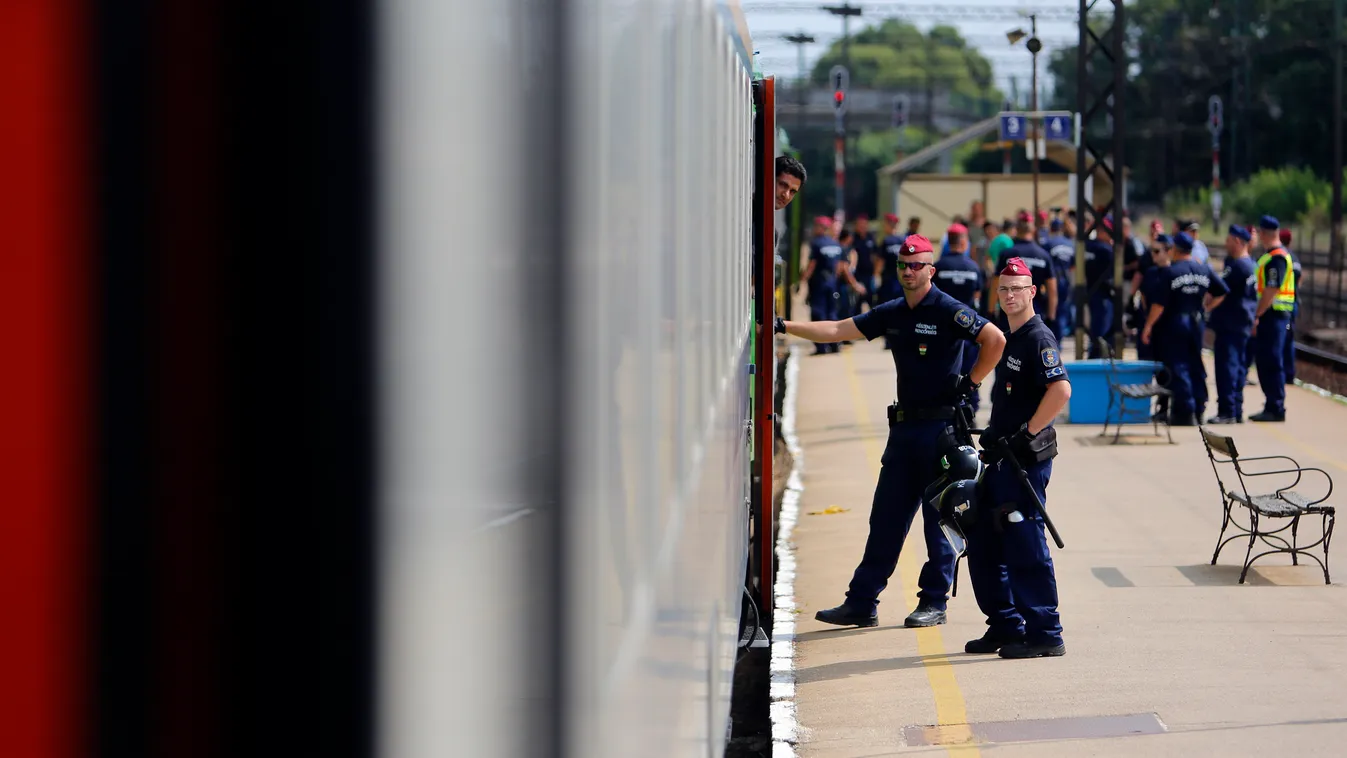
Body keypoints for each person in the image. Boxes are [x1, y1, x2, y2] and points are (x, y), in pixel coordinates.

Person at [776, 234, 1007, 628]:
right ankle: (861, 602)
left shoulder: (948, 309)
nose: (909, 271)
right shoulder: (894, 311)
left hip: (941, 433)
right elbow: (835, 330)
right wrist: (782, 325)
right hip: (903, 432)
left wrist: (971, 382)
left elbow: (994, 339)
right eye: (903, 264)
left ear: (930, 270)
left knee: (939, 524)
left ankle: (933, 602)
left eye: (917, 265)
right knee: (885, 519)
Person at [964, 257, 1071, 659]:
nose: (1009, 296)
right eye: (1003, 289)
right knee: (986, 541)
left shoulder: (1038, 338)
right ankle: (1007, 625)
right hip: (1002, 458)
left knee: (1024, 541)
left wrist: (1027, 433)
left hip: (1024, 461)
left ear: (1032, 292)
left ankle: (1045, 632)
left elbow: (1060, 391)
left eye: (1017, 289)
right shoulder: (1013, 336)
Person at [1141, 232, 1229, 426]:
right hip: (1196, 323)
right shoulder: (1203, 269)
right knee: (1196, 364)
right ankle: (1199, 407)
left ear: (1175, 250)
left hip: (1175, 324)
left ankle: (1184, 411)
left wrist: (1148, 326)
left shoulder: (1171, 272)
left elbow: (1159, 305)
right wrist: (1207, 307)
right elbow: (1222, 291)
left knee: (1178, 366)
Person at [1206, 225, 1258, 424]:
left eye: (1228, 240)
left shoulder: (1237, 267)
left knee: (1227, 368)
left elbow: (1221, 290)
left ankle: (1227, 411)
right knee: (1237, 368)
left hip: (1231, 324)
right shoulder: (1250, 264)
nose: (1226, 244)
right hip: (1242, 323)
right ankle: (1235, 409)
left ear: (1237, 241)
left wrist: (1208, 306)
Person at [935, 223, 986, 411]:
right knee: (970, 372)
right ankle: (971, 408)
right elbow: (977, 296)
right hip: (967, 328)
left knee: (943, 371)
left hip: (942, 329)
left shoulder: (938, 267)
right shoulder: (973, 268)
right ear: (963, 242)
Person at [1250, 215, 1296, 421]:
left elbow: (1271, 289)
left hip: (1273, 316)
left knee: (1271, 361)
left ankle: (1275, 407)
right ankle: (1272, 404)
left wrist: (1257, 313)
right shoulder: (1275, 256)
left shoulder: (1276, 258)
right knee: (1267, 360)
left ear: (1263, 234)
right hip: (1273, 316)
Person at [801, 216, 862, 355]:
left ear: (821, 228)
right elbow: (840, 267)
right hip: (832, 284)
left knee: (818, 314)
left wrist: (802, 280)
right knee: (833, 314)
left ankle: (821, 347)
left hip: (818, 284)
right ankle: (835, 344)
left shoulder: (816, 243)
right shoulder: (836, 245)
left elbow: (812, 265)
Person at [991, 217, 1057, 326]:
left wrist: (991, 311)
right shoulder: (1043, 255)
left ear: (1016, 229)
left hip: (1009, 312)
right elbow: (1052, 289)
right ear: (1033, 230)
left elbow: (995, 284)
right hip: (1035, 312)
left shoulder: (1007, 254)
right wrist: (1051, 316)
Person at [1083, 218, 1118, 358]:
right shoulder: (1106, 250)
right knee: (1102, 328)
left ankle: (1095, 353)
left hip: (1090, 292)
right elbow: (1112, 275)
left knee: (1095, 327)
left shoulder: (1087, 246)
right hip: (1104, 294)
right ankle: (1098, 355)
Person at [1043, 219, 1075, 343]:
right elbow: (1073, 265)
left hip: (1051, 281)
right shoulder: (1069, 244)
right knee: (1062, 311)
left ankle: (1050, 341)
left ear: (1051, 229)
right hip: (1065, 281)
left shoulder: (1048, 243)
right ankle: (1059, 342)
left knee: (1050, 312)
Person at [1279, 228, 1301, 384]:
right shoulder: (1294, 258)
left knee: (1280, 339)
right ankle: (1289, 373)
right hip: (1292, 303)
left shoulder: (1280, 257)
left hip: (1282, 305)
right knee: (1289, 338)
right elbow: (1299, 278)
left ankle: (1284, 372)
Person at [851, 214, 878, 313]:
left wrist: (875, 273)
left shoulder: (870, 237)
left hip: (869, 275)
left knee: (873, 302)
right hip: (857, 275)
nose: (862, 227)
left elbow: (875, 256)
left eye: (864, 224)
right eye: (860, 224)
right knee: (856, 304)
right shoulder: (853, 239)